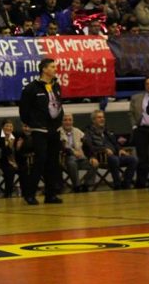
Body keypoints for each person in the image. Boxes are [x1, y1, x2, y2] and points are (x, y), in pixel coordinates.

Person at [19, 58, 64, 205]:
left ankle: (50, 194)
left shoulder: (56, 86)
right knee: (40, 161)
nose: (55, 69)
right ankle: (30, 194)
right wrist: (31, 123)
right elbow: (23, 110)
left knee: (53, 162)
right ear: (44, 69)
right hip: (40, 130)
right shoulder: (31, 88)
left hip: (54, 130)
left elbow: (58, 105)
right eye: (52, 67)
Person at [83, 110, 138, 190]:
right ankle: (117, 184)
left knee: (134, 159)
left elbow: (115, 143)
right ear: (93, 120)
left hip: (115, 155)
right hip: (102, 157)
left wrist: (120, 149)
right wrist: (104, 149)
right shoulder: (89, 132)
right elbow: (89, 147)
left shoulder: (107, 130)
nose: (102, 119)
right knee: (114, 159)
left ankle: (126, 182)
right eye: (99, 117)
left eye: (103, 117)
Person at [129, 77, 149, 188]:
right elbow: (131, 113)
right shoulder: (136, 97)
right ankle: (141, 182)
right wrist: (134, 126)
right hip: (141, 130)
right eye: (147, 84)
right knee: (142, 157)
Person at [58, 113, 96, 192]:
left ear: (73, 121)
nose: (68, 122)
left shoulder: (77, 131)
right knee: (72, 161)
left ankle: (86, 185)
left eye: (70, 120)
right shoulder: (58, 132)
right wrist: (72, 152)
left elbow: (87, 145)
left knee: (94, 163)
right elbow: (62, 147)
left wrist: (92, 156)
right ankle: (77, 186)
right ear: (61, 122)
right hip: (65, 160)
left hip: (80, 159)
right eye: (65, 120)